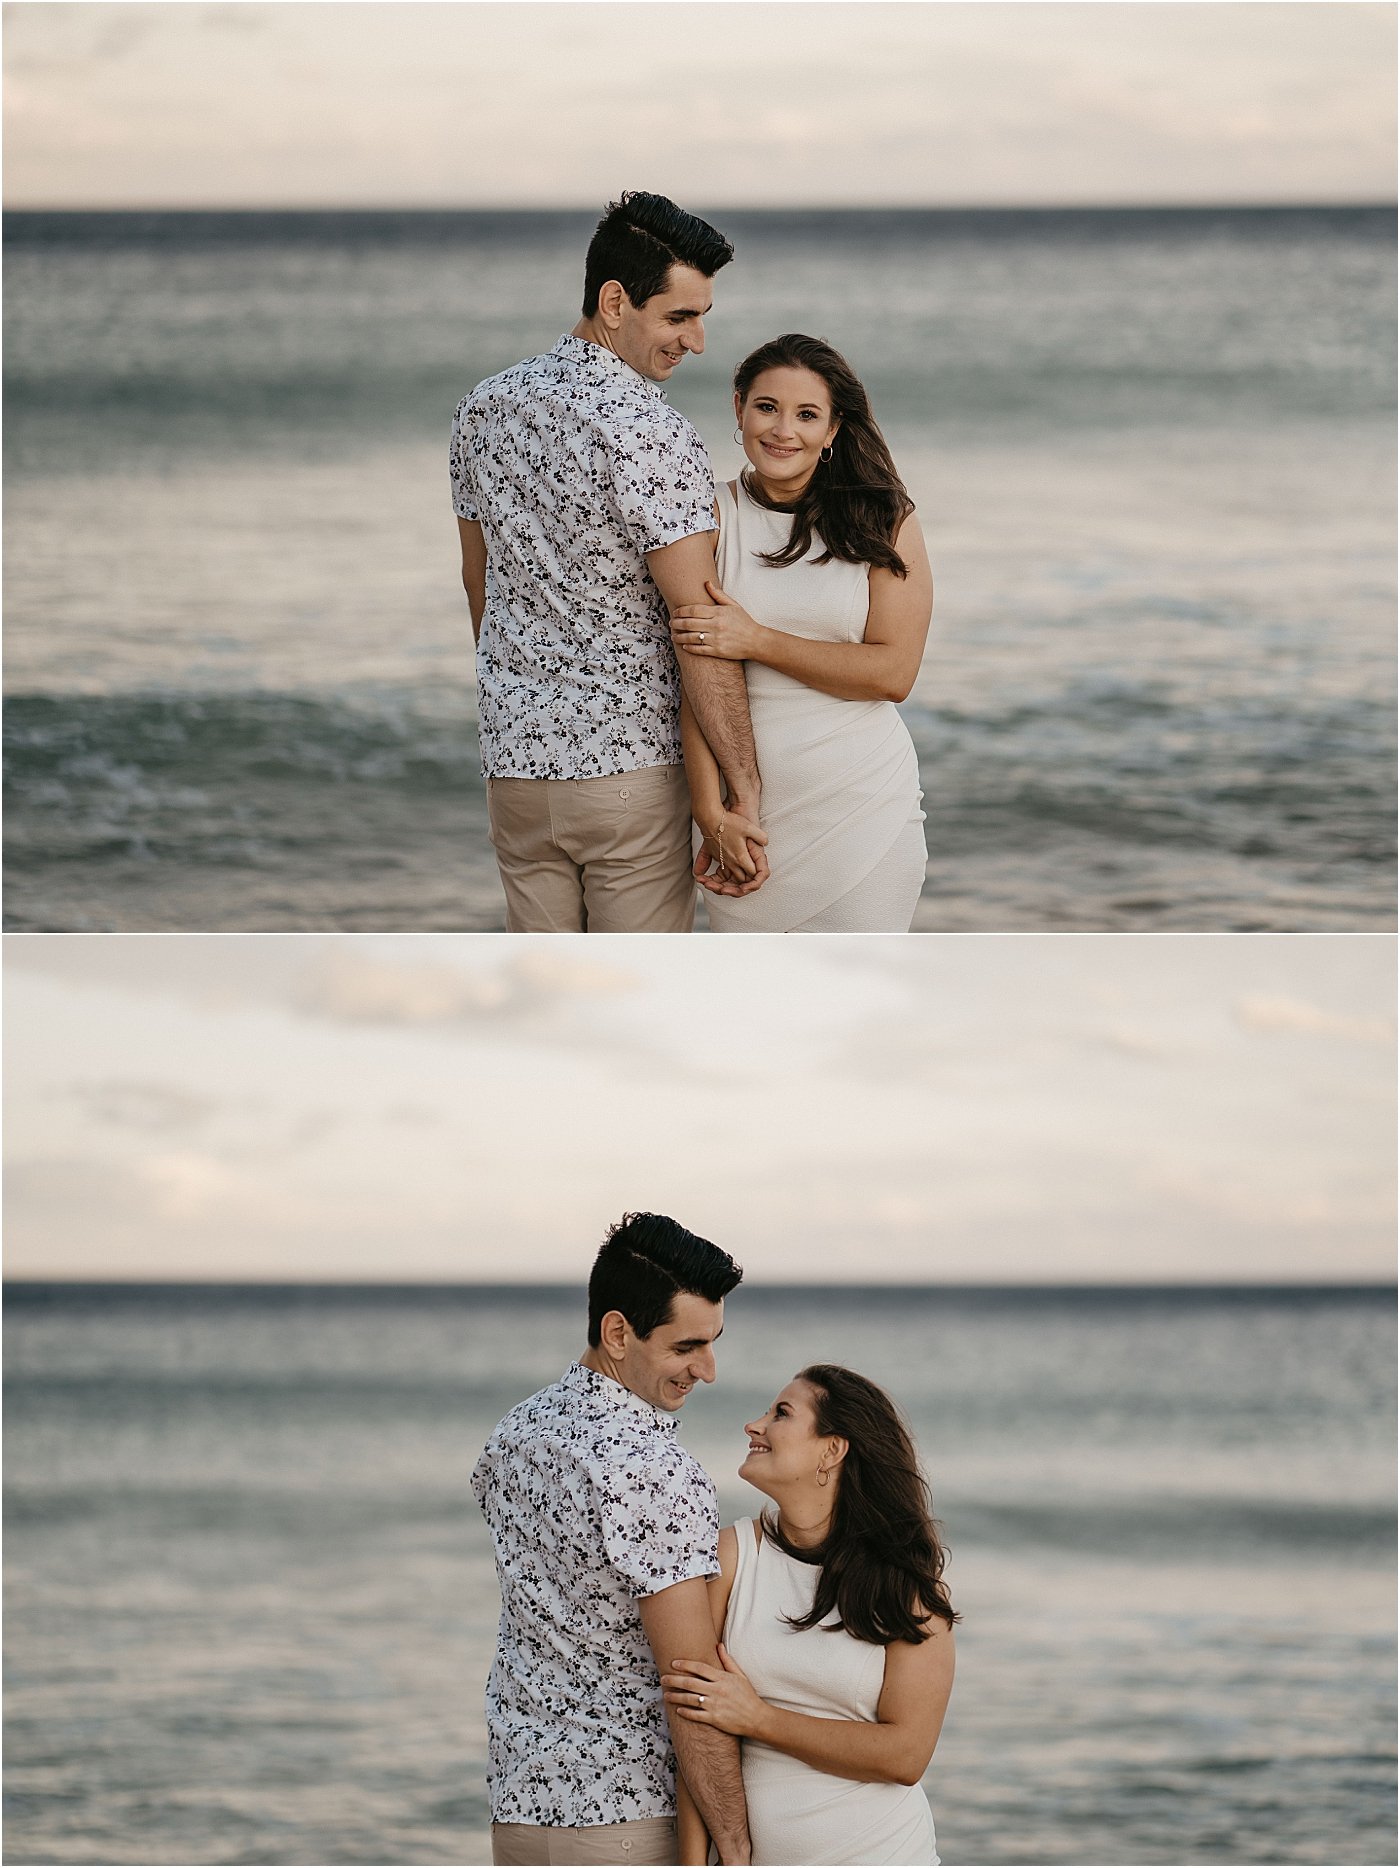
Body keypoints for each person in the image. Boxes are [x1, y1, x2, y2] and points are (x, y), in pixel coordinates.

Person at [451, 192, 768, 934]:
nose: (695, 343)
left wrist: (526, 704)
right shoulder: (653, 433)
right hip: (628, 777)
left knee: (549, 1008)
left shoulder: (483, 406)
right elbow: (698, 621)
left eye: (702, 318)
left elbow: (480, 582)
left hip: (515, 772)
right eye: (679, 318)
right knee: (634, 1014)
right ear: (615, 301)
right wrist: (739, 787)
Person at [471, 1214, 751, 1866]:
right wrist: (737, 1847)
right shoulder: (654, 1470)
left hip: (519, 1816)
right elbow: (691, 1685)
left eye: (713, 1343)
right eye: (686, 1347)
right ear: (618, 1332)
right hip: (626, 1821)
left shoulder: (514, 1434)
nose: (707, 1370)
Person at [673, 334, 934, 932]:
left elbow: (893, 675)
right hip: (749, 823)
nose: (782, 430)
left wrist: (757, 640)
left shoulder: (885, 518)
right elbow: (690, 678)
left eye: (807, 414)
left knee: (858, 1011)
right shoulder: (706, 516)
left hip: (862, 810)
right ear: (737, 408)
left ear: (834, 429)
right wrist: (713, 813)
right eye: (766, 407)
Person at [661, 1365, 957, 1867]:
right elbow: (693, 1729)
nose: (753, 1425)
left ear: (832, 1450)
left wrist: (759, 1717)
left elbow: (905, 1756)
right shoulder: (733, 1557)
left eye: (781, 1413)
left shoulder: (905, 1589)